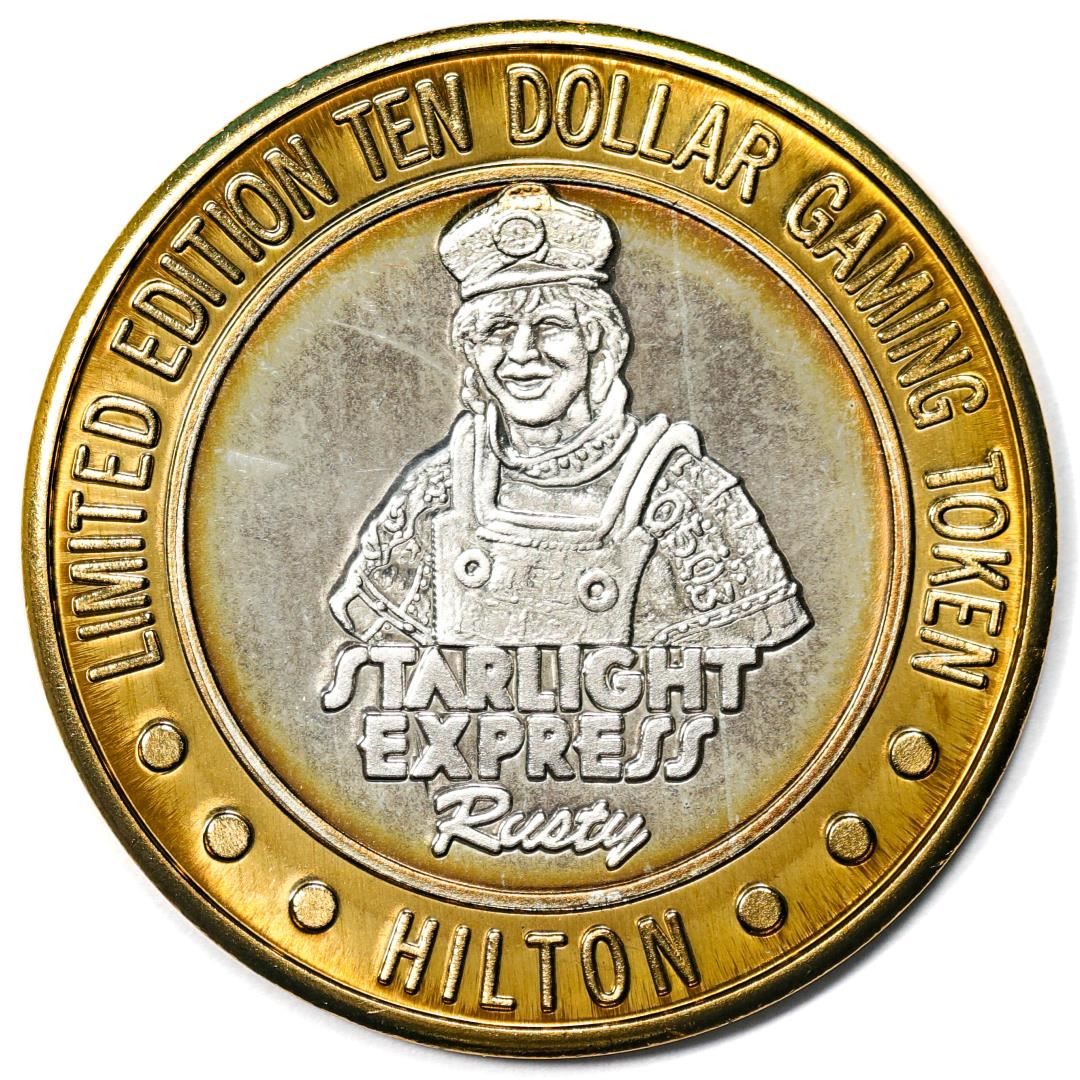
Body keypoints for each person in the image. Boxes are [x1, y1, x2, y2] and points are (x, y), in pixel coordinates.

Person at [328, 183, 809, 651]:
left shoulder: (685, 491)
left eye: (551, 325)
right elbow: (389, 660)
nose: (521, 353)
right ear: (471, 351)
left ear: (597, 338)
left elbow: (736, 672)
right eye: (498, 330)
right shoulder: (439, 489)